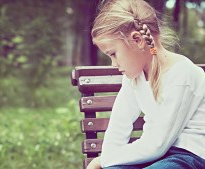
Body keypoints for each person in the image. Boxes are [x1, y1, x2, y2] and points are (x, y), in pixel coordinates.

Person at [86, 0, 205, 169]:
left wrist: (101, 160)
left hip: (188, 156)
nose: (113, 64)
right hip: (154, 156)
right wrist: (108, 161)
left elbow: (157, 144)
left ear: (138, 40)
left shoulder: (182, 75)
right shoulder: (134, 77)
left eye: (113, 54)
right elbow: (119, 127)